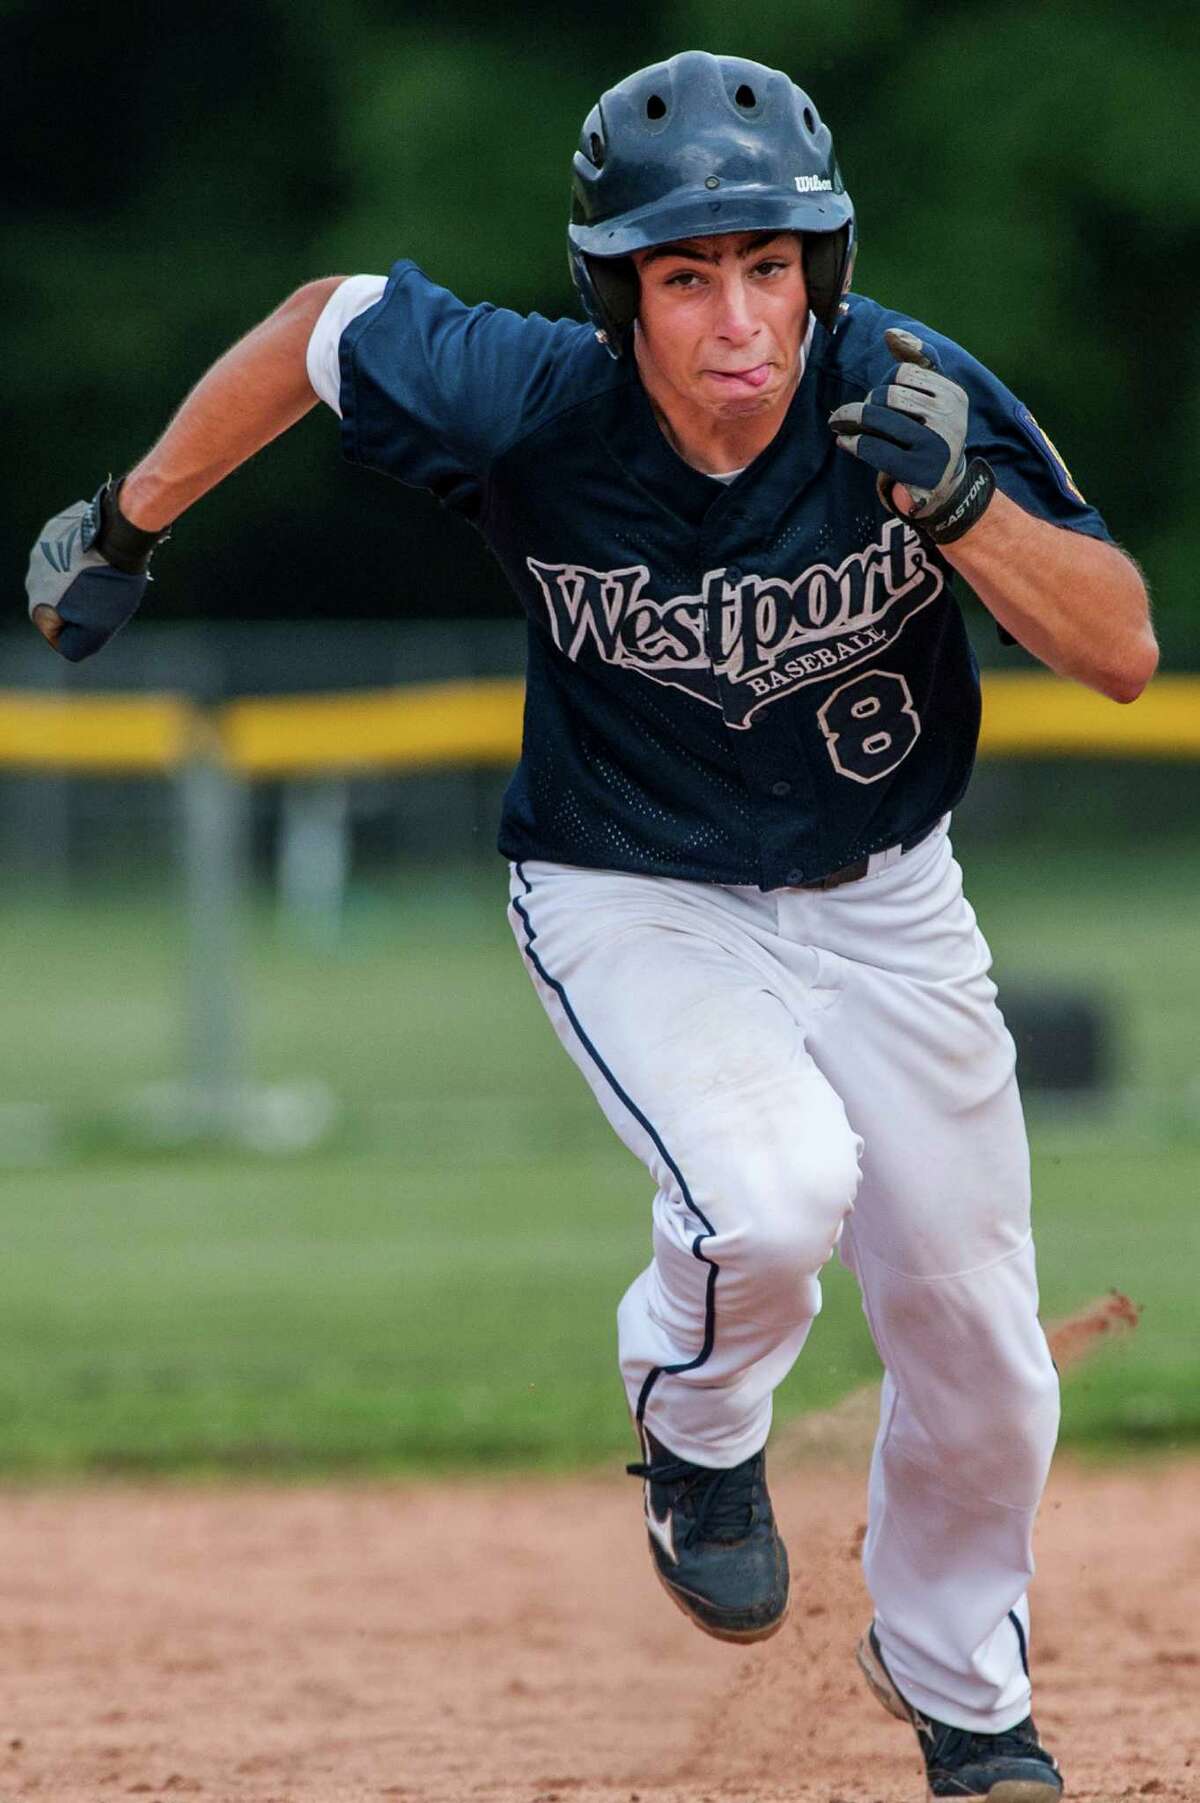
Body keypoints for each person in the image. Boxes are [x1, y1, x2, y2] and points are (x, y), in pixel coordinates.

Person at [27, 50, 1156, 1801]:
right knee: (770, 1198)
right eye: (685, 274)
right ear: (617, 292)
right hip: (629, 887)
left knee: (985, 1360)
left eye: (770, 267)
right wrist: (127, 519)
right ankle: (697, 1432)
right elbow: (322, 327)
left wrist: (962, 506)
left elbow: (1121, 647)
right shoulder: (535, 402)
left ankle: (965, 1699)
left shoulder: (911, 398)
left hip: (889, 906)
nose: (736, 320)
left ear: (822, 275)